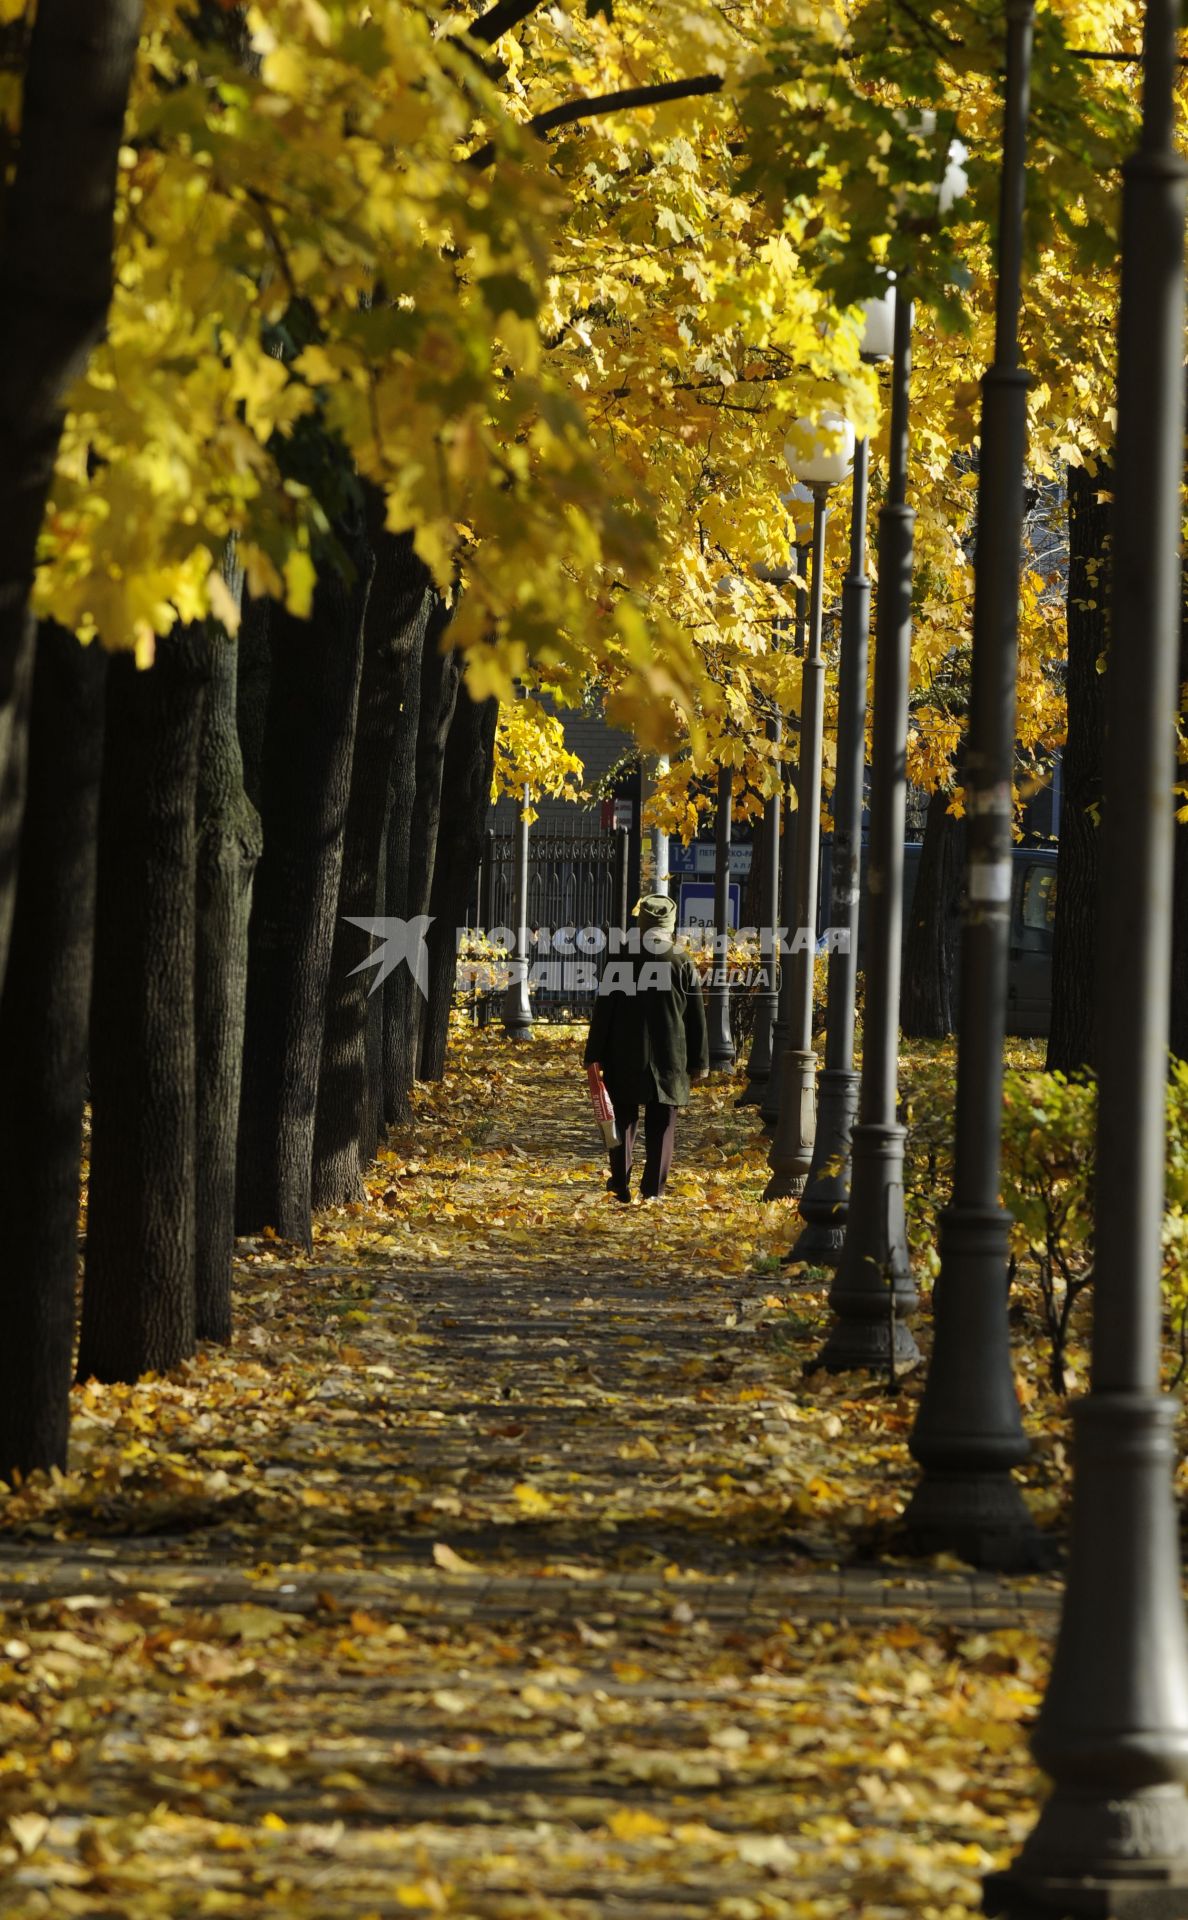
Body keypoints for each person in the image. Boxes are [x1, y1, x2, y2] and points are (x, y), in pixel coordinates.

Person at [583, 892, 709, 1203]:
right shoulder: (682, 961)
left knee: (622, 1118)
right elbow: (696, 1018)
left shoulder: (621, 957)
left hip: (625, 1054)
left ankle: (621, 1183)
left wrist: (593, 1055)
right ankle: (653, 1189)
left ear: (641, 925)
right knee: (663, 1123)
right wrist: (700, 1061)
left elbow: (604, 1010)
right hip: (671, 1057)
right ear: (670, 925)